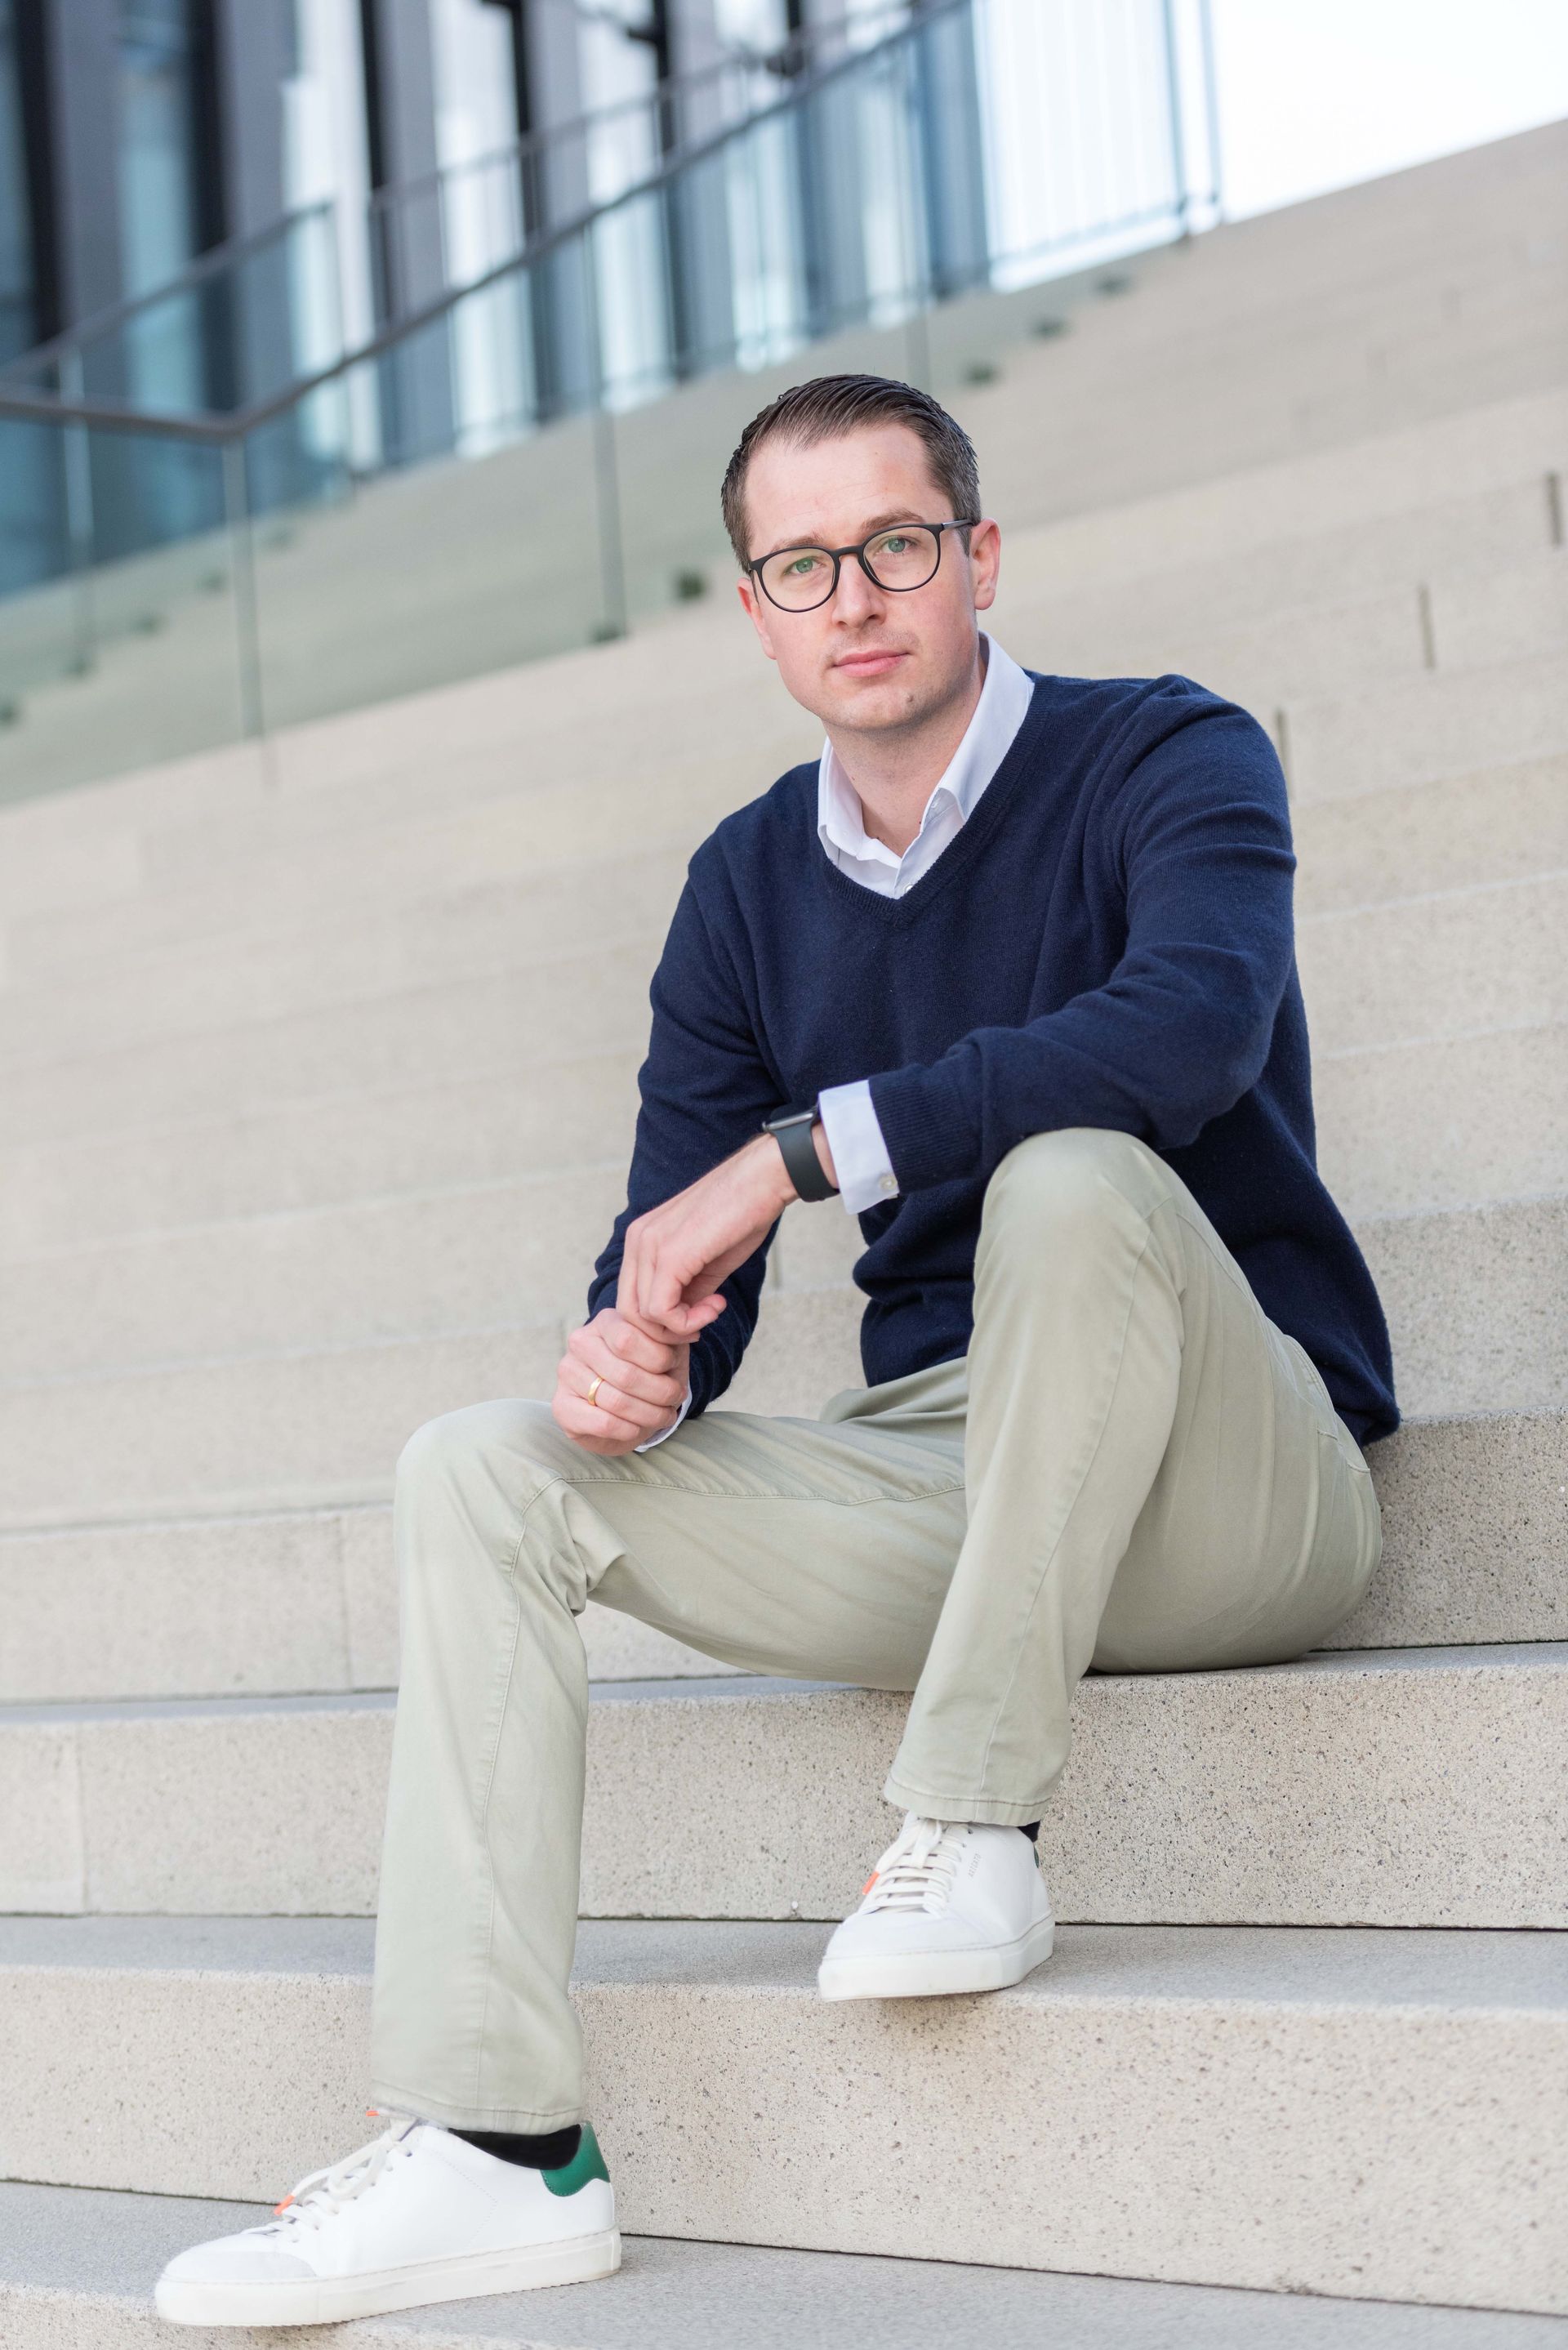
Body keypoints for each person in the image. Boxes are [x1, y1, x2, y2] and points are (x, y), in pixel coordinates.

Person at [156, 373, 1396, 2328]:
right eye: (802, 565)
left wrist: (812, 1151)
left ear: (977, 557)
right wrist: (638, 1354)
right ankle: (497, 2145)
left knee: (1072, 1173)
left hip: (1237, 1480)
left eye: (896, 544)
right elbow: (678, 1238)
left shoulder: (1170, 753)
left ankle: (971, 1815)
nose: (856, 596)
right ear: (756, 609)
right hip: (953, 1475)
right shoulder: (744, 883)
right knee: (477, 1465)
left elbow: (1189, 1038)